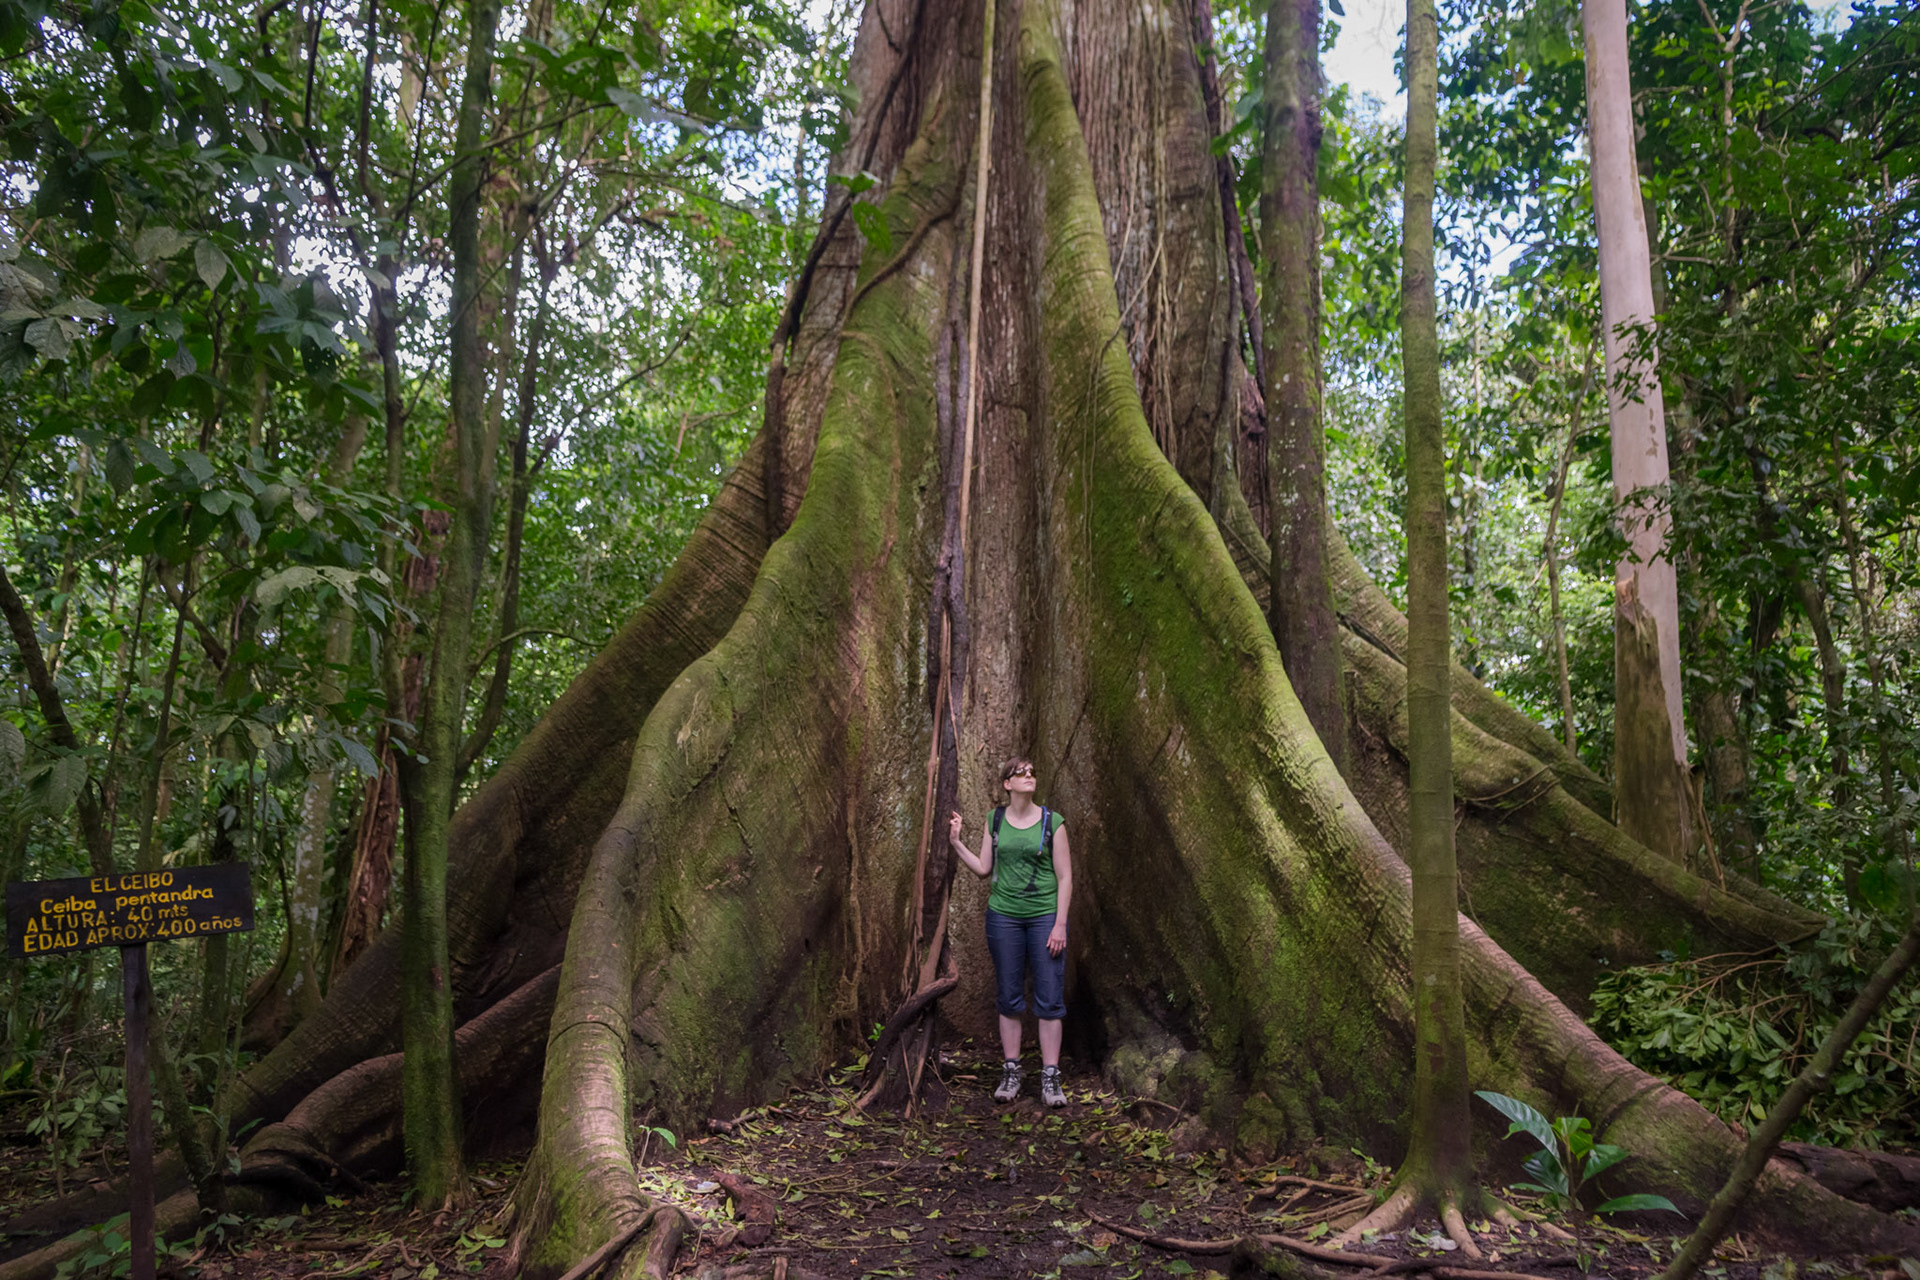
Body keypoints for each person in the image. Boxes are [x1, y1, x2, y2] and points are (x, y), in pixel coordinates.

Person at [948, 756, 1074, 1107]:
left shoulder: (1053, 822)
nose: (1029, 776)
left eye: (1032, 772)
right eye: (1021, 773)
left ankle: (1050, 1078)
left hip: (1045, 918)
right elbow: (984, 869)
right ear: (1007, 783)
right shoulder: (996, 820)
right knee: (1009, 994)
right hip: (1003, 917)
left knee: (1049, 996)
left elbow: (1065, 877)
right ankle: (1012, 1071)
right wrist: (957, 843)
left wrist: (1060, 923)